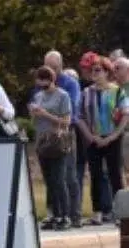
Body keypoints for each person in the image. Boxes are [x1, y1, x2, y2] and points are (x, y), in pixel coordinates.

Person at [77, 56, 129, 225]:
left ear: (107, 72)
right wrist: (90, 136)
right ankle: (97, 212)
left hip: (113, 137)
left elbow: (125, 114)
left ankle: (120, 213)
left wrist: (113, 136)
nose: (94, 73)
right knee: (95, 175)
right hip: (93, 138)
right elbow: (79, 117)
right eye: (92, 70)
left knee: (115, 174)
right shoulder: (86, 92)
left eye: (98, 70)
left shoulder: (117, 91)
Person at [31, 66, 73, 230]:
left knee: (59, 179)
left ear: (51, 80)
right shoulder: (38, 96)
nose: (41, 83)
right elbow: (36, 120)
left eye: (43, 79)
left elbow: (66, 122)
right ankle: (53, 214)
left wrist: (45, 114)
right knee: (48, 180)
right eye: (38, 80)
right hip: (42, 141)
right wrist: (34, 114)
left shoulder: (63, 96)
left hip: (57, 140)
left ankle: (65, 215)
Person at [43, 50, 82, 227]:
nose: (49, 70)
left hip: (65, 133)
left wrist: (48, 113)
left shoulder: (70, 84)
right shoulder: (41, 83)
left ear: (60, 66)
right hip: (46, 135)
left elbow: (71, 110)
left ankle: (74, 214)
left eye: (53, 66)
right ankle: (54, 213)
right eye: (47, 65)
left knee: (68, 174)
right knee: (51, 176)